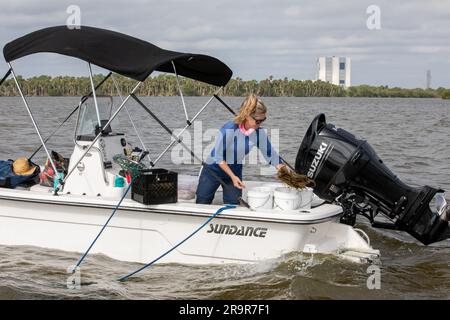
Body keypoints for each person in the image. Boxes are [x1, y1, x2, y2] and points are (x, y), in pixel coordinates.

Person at [196, 93, 285, 205]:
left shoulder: (259, 133)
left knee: (233, 204)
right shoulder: (229, 129)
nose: (260, 124)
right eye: (258, 121)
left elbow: (270, 154)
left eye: (263, 120)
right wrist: (232, 177)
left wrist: (281, 166)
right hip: (213, 169)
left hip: (235, 170)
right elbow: (218, 157)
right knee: (202, 201)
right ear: (247, 116)